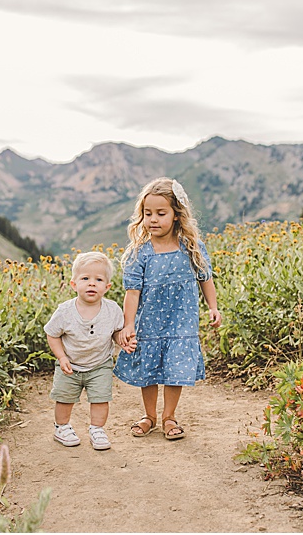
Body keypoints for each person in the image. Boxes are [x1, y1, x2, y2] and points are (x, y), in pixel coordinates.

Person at [114, 177, 222, 440]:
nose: (153, 219)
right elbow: (132, 292)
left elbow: (205, 278)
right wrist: (129, 324)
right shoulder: (140, 252)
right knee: (148, 371)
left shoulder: (191, 247)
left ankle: (169, 417)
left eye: (161, 213)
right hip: (149, 323)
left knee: (175, 370)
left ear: (176, 215)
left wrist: (213, 307)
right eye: (147, 213)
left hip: (182, 322)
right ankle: (149, 415)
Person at [45, 251, 129, 450]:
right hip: (69, 365)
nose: (92, 283)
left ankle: (97, 429)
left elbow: (116, 332)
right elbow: (52, 334)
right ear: (74, 284)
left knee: (100, 398)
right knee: (64, 398)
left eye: (98, 279)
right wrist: (61, 356)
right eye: (85, 278)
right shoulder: (65, 311)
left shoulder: (112, 310)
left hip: (100, 364)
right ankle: (62, 427)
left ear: (107, 287)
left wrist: (122, 340)